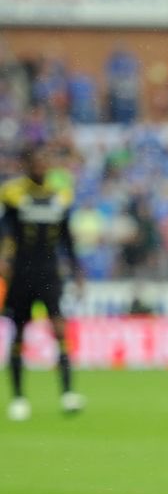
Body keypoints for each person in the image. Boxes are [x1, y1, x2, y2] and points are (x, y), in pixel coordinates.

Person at [0, 144, 85, 422]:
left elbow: (67, 239)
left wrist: (77, 271)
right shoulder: (13, 194)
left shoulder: (60, 196)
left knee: (60, 329)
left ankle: (68, 393)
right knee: (19, 332)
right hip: (21, 274)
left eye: (45, 161)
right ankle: (19, 397)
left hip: (49, 273)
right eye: (35, 161)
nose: (41, 166)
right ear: (26, 165)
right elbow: (5, 232)